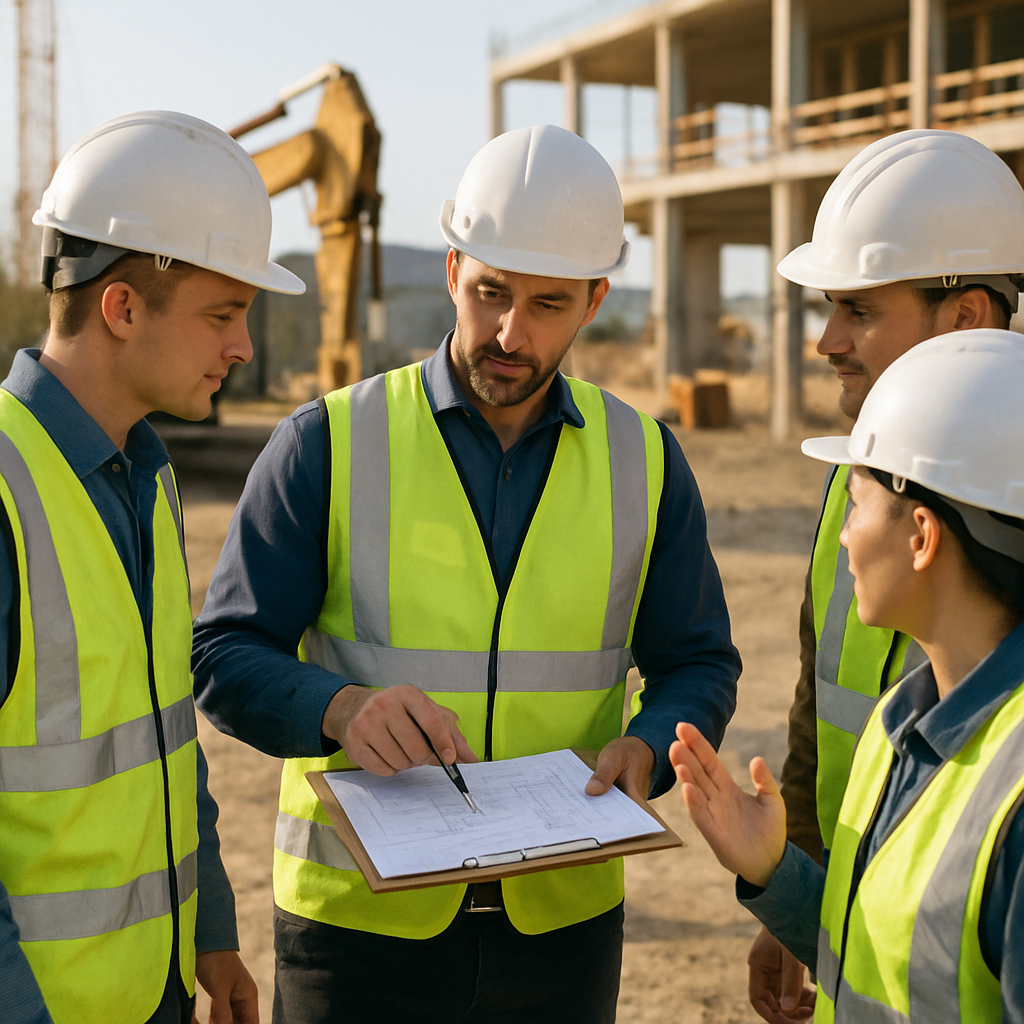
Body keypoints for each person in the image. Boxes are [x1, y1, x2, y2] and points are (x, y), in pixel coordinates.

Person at [192, 123, 741, 1024]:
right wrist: (338, 708)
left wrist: (650, 747)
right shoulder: (327, 441)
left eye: (549, 304)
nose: (511, 332)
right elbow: (223, 654)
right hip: (357, 933)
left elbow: (698, 662)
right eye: (490, 292)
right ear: (452, 271)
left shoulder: (645, 460)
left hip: (561, 931)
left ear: (595, 300)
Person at [0, 111, 305, 1024]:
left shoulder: (147, 479)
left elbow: (163, 736)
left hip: (154, 991)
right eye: (222, 314)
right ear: (123, 308)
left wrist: (207, 930)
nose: (242, 346)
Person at [746, 128, 1024, 1022]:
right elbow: (817, 698)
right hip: (864, 917)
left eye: (860, 310)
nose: (827, 341)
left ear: (966, 315)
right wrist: (801, 887)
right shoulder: (857, 481)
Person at [672, 327, 1024, 1022]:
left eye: (856, 503)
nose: (843, 534)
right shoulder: (901, 721)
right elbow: (892, 965)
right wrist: (776, 873)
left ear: (921, 536)